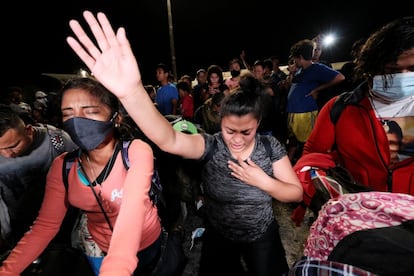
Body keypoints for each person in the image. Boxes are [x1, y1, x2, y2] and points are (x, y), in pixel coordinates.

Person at [64, 11, 303, 276]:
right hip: (219, 235)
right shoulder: (211, 145)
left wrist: (263, 181)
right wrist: (131, 92)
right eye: (228, 130)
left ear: (257, 123)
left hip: (261, 236)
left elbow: (295, 193)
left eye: (245, 131)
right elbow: (169, 139)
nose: (236, 139)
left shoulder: (270, 147)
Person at [0, 77, 163, 275]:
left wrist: (116, 267)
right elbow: (45, 226)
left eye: (91, 111)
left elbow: (132, 211)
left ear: (116, 117)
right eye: (68, 114)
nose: (77, 122)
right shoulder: (63, 166)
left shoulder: (135, 152)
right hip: (99, 246)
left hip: (144, 241)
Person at [298, 16, 414, 198]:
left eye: (413, 69)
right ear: (371, 68)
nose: (404, 77)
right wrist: (317, 183)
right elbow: (313, 154)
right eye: (392, 70)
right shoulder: (340, 109)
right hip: (362, 214)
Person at [0, 104, 78, 256]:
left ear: (28, 130)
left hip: (63, 223)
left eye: (13, 146)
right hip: (19, 227)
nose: (7, 155)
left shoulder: (57, 141)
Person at [286, 39, 345, 163]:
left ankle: (308, 164)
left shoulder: (317, 68)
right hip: (293, 111)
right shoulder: (300, 70)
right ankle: (293, 162)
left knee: (306, 142)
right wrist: (292, 73)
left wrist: (317, 89)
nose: (294, 61)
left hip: (305, 112)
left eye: (295, 58)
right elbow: (292, 85)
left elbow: (340, 77)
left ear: (300, 57)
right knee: (293, 139)